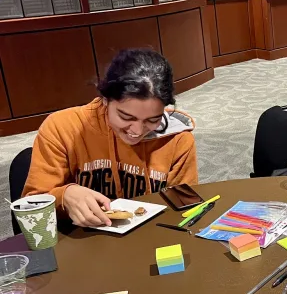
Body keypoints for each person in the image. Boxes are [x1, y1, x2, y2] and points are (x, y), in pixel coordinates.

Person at [23, 49, 198, 228]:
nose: (137, 130)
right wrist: (65, 196)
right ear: (105, 100)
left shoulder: (178, 139)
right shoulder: (62, 127)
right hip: (80, 241)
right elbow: (30, 207)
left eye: (152, 120)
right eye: (126, 117)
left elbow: (183, 209)